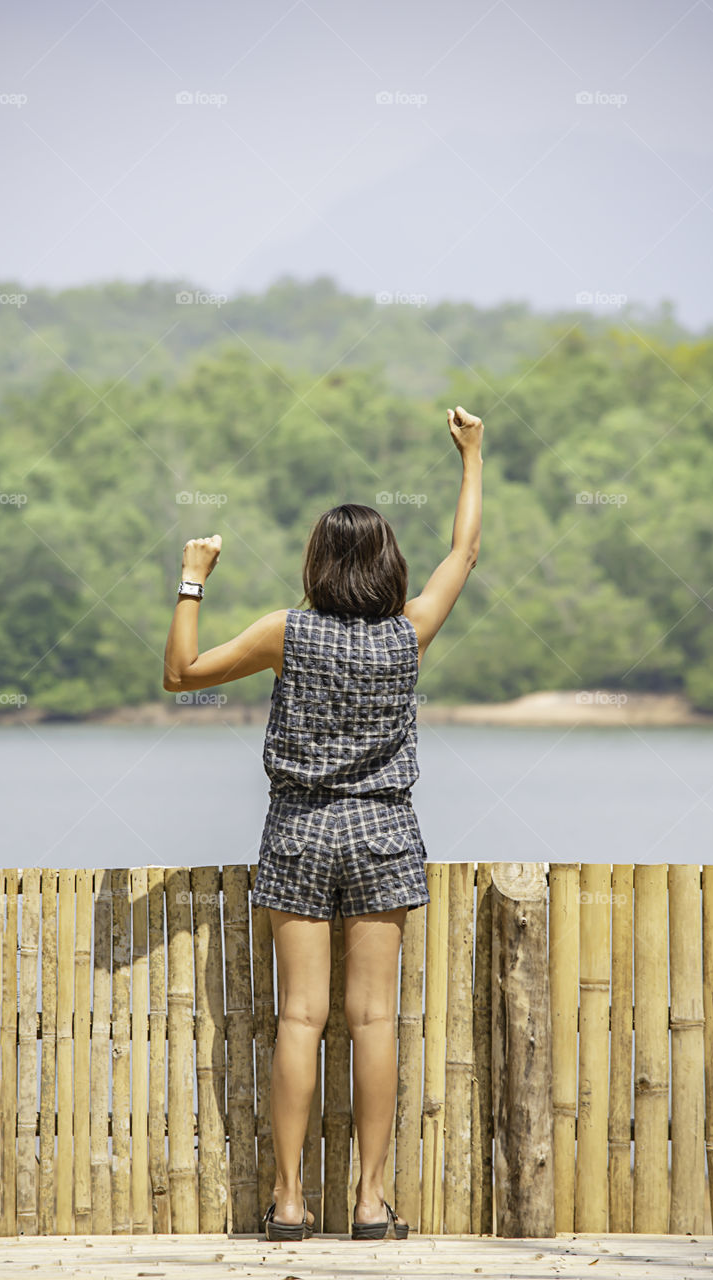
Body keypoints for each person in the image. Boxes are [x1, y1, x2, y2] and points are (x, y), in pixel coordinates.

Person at [163, 405, 484, 1241]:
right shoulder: (407, 634)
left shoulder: (285, 632)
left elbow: (181, 674)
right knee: (372, 1020)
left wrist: (193, 575)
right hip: (381, 832)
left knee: (300, 1019)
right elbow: (466, 554)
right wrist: (471, 456)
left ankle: (290, 1201)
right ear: (387, 566)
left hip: (299, 832)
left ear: (314, 563)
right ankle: (372, 1204)